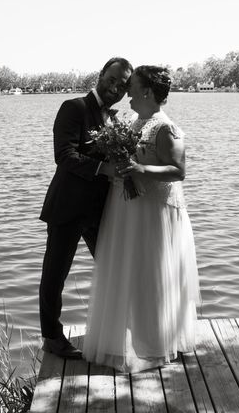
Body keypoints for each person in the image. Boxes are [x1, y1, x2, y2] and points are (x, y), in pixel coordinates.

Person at [83, 65, 200, 373]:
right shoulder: (134, 121)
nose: (127, 93)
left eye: (132, 87)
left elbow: (179, 171)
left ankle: (154, 343)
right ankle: (127, 338)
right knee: (127, 272)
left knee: (150, 274)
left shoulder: (165, 127)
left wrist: (141, 170)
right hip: (126, 210)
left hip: (153, 215)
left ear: (146, 92)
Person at [39, 57, 133, 358]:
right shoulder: (74, 108)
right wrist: (104, 169)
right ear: (101, 75)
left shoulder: (116, 119)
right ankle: (52, 337)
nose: (116, 87)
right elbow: (64, 156)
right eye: (113, 79)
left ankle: (117, 328)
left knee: (113, 269)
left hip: (101, 211)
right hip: (67, 207)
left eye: (122, 85)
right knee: (56, 275)